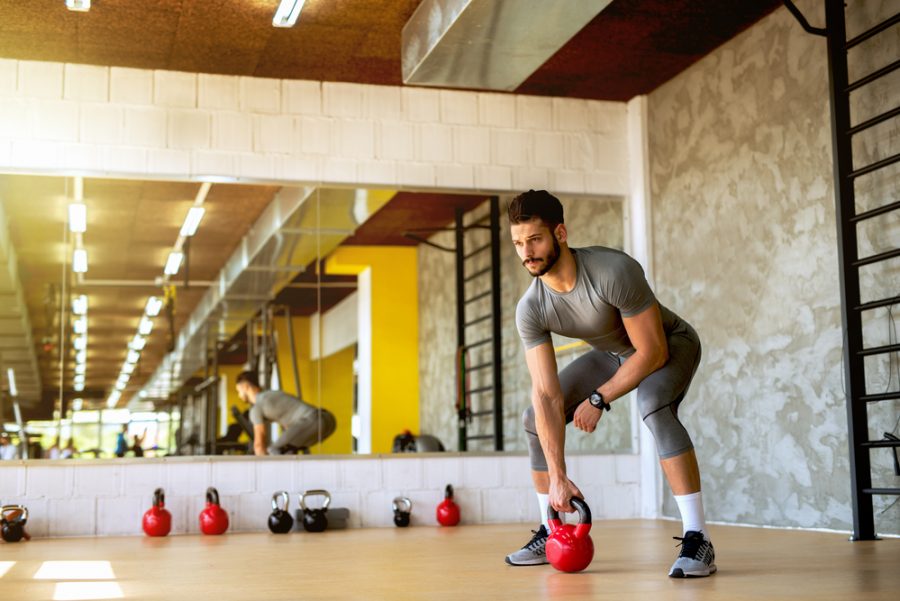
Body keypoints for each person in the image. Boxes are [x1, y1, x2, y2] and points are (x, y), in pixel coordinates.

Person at [504, 190, 715, 578]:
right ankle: (551, 531)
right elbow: (548, 394)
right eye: (518, 243)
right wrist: (558, 477)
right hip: (613, 355)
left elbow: (651, 353)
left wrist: (598, 398)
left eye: (534, 239)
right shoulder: (531, 308)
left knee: (652, 403)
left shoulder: (611, 271)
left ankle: (697, 538)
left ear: (560, 233)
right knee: (534, 418)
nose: (526, 252)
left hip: (670, 344)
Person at [235, 371, 336, 455]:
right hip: (329, 420)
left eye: (238, 391)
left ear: (245, 386)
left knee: (273, 450)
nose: (239, 395)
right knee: (288, 450)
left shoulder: (256, 408)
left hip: (313, 421)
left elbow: (258, 445)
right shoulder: (272, 395)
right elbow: (290, 422)